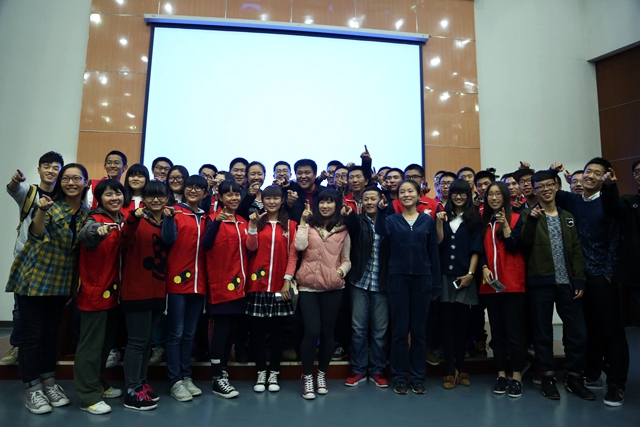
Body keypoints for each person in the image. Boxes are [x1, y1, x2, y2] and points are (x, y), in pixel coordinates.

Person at [6, 163, 90, 414]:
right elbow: (35, 233)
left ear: (86, 183)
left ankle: (49, 383)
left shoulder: (86, 214)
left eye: (77, 178)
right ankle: (32, 388)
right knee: (32, 335)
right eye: (66, 178)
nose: (71, 183)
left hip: (60, 282)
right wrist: (41, 211)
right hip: (34, 277)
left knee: (50, 334)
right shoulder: (50, 205)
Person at [552, 158, 627, 406]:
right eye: (588, 171)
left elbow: (616, 240)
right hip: (579, 279)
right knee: (589, 330)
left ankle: (616, 383)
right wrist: (553, 171)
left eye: (597, 173)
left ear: (605, 178)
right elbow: (547, 187)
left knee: (612, 333)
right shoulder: (574, 200)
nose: (590, 176)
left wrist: (608, 274)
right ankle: (593, 374)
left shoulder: (608, 202)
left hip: (601, 278)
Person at [520, 170, 595, 402]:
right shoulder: (527, 215)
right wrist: (532, 221)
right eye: (540, 186)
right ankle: (547, 377)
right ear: (534, 190)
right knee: (542, 334)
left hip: (568, 284)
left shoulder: (568, 217)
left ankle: (574, 377)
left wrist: (579, 279)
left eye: (549, 185)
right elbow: (523, 245)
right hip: (540, 284)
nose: (545, 189)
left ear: (556, 186)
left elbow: (576, 250)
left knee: (578, 334)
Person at [376, 180, 441, 396]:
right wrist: (381, 211)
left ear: (418, 195)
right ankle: (400, 377)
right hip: (397, 281)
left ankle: (418, 377)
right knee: (399, 332)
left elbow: (433, 253)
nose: (406, 194)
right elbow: (381, 231)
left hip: (422, 281)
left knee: (419, 333)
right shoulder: (392, 220)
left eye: (410, 191)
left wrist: (436, 284)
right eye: (402, 191)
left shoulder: (427, 221)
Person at [2, 151, 63, 366]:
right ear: (39, 169)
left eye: (55, 167)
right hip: (26, 259)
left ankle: (44, 351)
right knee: (21, 308)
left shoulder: (64, 196)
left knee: (49, 310)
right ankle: (17, 346)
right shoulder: (29, 192)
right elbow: (13, 189)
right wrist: (15, 180)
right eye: (46, 166)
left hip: (52, 261)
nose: (51, 170)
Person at [74, 179, 125, 415]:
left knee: (105, 345)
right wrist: (98, 231)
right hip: (95, 292)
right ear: (99, 198)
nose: (114, 198)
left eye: (118, 193)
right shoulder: (94, 219)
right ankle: (88, 396)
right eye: (108, 194)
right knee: (91, 347)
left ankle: (98, 383)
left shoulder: (121, 219)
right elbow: (86, 234)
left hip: (115, 293)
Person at [119, 180, 171, 411]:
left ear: (167, 198)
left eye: (160, 196)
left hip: (158, 290)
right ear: (144, 199)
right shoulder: (136, 219)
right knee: (137, 342)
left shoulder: (166, 222)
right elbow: (123, 241)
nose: (156, 200)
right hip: (136, 290)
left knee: (147, 342)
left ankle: (141, 383)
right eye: (151, 196)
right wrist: (133, 218)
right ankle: (132, 390)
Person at [295, 190, 351, 400]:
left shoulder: (343, 230)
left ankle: (321, 375)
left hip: (333, 288)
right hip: (308, 287)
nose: (325, 206)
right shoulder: (308, 226)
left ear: (337, 205)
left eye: (330, 202)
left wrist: (340, 273)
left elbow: (346, 259)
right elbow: (299, 246)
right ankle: (307, 376)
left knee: (328, 333)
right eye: (322, 202)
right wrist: (302, 222)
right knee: (312, 331)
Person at [245, 185, 298, 393]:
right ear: (263, 200)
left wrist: (287, 280)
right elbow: (250, 247)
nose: (272, 202)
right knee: (258, 332)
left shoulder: (290, 225)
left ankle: (274, 372)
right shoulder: (257, 222)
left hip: (279, 286)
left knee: (277, 332)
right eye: (268, 198)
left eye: (276, 198)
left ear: (282, 200)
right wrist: (252, 226)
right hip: (257, 285)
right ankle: (261, 372)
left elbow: (293, 255)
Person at [161, 175, 208, 402]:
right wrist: (168, 219)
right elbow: (167, 239)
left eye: (199, 188)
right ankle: (175, 380)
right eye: (190, 186)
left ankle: (186, 375)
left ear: (205, 193)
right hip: (177, 281)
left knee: (190, 333)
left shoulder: (206, 218)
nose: (193, 190)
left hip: (199, 283)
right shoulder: (175, 212)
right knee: (176, 333)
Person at [480, 181, 526, 398]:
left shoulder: (517, 218)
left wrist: (506, 225)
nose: (494, 197)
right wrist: (483, 267)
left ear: (506, 197)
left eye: (498, 194)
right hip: (491, 286)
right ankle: (501, 374)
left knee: (514, 333)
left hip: (513, 285)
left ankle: (516, 376)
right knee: (497, 334)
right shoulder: (483, 222)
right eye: (490, 194)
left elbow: (515, 246)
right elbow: (478, 249)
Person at [435, 180, 483, 389]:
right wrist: (439, 223)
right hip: (445, 277)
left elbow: (476, 249)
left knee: (462, 325)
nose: (458, 197)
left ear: (468, 195)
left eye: (463, 193)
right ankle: (449, 370)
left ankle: (461, 367)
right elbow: (439, 243)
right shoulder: (443, 216)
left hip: (464, 277)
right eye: (455, 193)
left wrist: (471, 274)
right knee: (446, 325)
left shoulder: (474, 219)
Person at [203, 180, 248, 399]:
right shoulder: (211, 219)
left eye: (236, 193)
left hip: (241, 285)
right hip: (220, 284)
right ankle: (216, 377)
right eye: (228, 194)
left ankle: (223, 371)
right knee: (220, 332)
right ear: (219, 197)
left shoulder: (243, 221)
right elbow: (206, 245)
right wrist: (217, 222)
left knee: (231, 331)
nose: (233, 198)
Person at [342, 186, 390, 388]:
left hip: (382, 284)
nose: (369, 202)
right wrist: (349, 216)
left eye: (373, 198)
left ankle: (377, 370)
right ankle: (359, 370)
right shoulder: (358, 221)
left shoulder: (390, 221)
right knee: (358, 330)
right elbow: (352, 226)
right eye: (366, 199)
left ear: (381, 200)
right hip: (359, 282)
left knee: (380, 331)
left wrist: (385, 213)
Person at [601, 161, 640, 319]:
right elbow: (611, 208)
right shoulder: (629, 202)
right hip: (637, 272)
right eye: (637, 172)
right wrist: (609, 187)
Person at [284, 159, 327, 223]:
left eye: (307, 172)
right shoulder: (290, 192)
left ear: (315, 174)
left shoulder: (325, 192)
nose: (303, 176)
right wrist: (289, 203)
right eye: (299, 173)